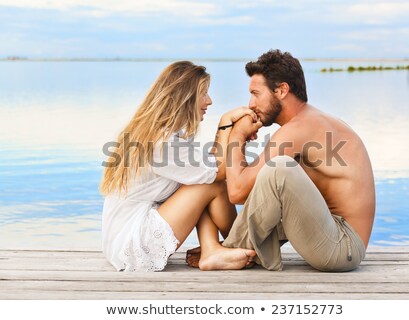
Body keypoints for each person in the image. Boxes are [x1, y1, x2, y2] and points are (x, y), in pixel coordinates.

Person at [187, 50, 375, 272]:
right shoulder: (310, 121)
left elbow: (237, 192)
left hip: (343, 247)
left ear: (282, 90)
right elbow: (250, 184)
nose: (251, 103)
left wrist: (237, 136)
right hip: (327, 232)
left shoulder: (300, 128)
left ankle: (227, 249)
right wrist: (238, 142)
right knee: (225, 175)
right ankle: (225, 249)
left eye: (256, 93)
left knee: (280, 170)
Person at [100, 61, 256, 272]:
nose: (209, 101)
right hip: (132, 246)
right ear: (184, 98)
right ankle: (240, 244)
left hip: (120, 239)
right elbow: (217, 172)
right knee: (212, 184)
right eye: (203, 94)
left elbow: (207, 168)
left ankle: (213, 249)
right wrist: (228, 127)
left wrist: (227, 130)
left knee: (202, 180)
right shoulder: (163, 142)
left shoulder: (163, 133)